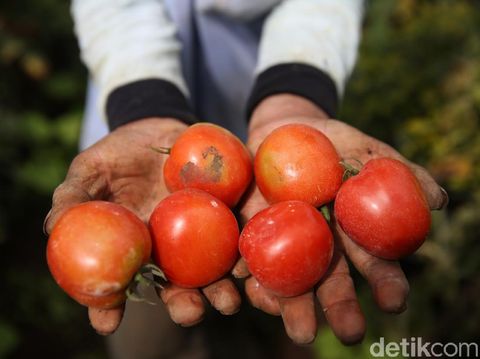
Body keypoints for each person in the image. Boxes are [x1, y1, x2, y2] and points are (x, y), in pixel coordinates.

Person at [44, 1, 448, 358]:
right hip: (136, 163)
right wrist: (144, 104)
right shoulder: (130, 226)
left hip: (262, 105)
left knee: (293, 328)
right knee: (151, 343)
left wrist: (294, 91)